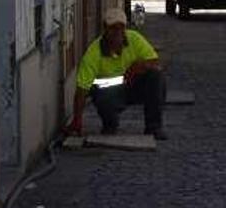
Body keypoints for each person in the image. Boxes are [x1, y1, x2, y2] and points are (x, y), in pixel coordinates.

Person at [65, 8, 168, 139]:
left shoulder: (134, 39)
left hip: (131, 87)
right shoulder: (93, 53)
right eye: (113, 28)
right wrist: (77, 120)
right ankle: (110, 124)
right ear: (105, 29)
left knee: (156, 77)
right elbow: (82, 90)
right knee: (102, 99)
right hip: (107, 94)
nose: (117, 32)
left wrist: (140, 65)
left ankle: (154, 127)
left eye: (121, 28)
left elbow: (156, 62)